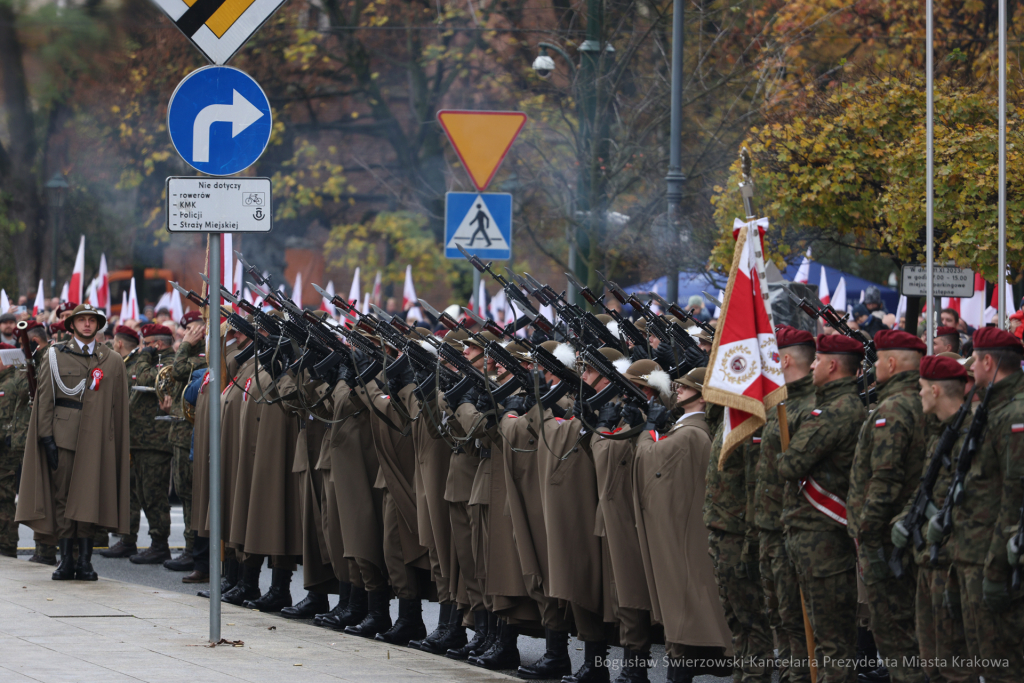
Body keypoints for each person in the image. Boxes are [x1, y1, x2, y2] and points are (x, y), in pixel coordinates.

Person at [15, 303, 131, 582]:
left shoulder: (112, 360)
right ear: (72, 325)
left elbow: (118, 407)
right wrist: (46, 437)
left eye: (93, 320)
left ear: (99, 324)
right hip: (63, 436)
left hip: (98, 439)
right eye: (82, 320)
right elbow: (44, 401)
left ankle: (85, 561)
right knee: (63, 499)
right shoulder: (55, 355)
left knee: (89, 499)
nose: (87, 325)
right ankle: (66, 560)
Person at [936, 327, 1024, 682]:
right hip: (975, 551)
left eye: (975, 362)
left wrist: (996, 567)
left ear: (988, 361)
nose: (971, 370)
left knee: (1003, 663)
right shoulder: (995, 405)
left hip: (996, 556)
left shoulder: (1014, 412)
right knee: (982, 660)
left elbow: (1014, 493)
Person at [634, 367, 732, 683]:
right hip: (692, 526)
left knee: (683, 606)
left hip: (683, 530)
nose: (677, 390)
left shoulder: (690, 432)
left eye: (684, 387)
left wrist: (648, 430)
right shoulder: (693, 429)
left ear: (702, 395)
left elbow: (651, 461)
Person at [777, 334, 865, 683]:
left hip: (823, 539)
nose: (811, 365)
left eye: (818, 360)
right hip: (814, 538)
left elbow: (789, 465)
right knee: (819, 636)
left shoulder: (837, 412)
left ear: (831, 365)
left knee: (831, 643)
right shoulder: (834, 407)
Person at [848, 330, 928, 683]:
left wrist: (866, 533)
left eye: (879, 360)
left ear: (892, 363)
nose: (875, 366)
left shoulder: (893, 409)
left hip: (885, 539)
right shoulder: (921, 400)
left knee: (896, 639)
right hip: (909, 532)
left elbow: (883, 480)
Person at [890, 355, 974, 683]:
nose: (919, 394)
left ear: (936, 390)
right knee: (931, 658)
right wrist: (904, 519)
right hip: (928, 557)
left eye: (923, 388)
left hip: (952, 560)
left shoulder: (970, 434)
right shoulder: (941, 432)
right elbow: (927, 485)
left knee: (955, 660)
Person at [754, 326, 815, 683]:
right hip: (770, 523)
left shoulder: (809, 406)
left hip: (796, 528)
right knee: (778, 614)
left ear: (786, 358)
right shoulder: (779, 403)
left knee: (797, 618)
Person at [124, 324, 178, 565]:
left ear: (157, 344)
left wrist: (145, 355)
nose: (142, 348)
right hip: (141, 439)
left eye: (146, 343)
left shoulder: (168, 362)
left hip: (156, 439)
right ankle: (156, 542)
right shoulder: (151, 359)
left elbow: (146, 377)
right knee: (144, 493)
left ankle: (160, 544)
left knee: (155, 494)